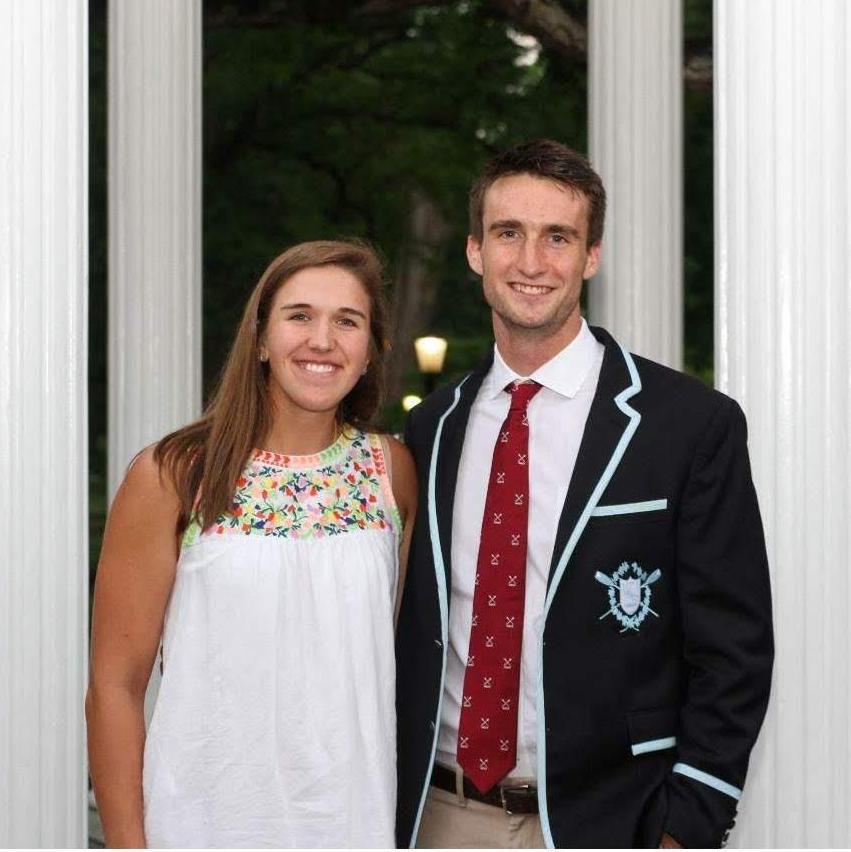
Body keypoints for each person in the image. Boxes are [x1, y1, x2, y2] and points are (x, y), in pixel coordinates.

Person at [395, 140, 773, 848]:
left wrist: (687, 829)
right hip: (444, 816)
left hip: (613, 820)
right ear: (475, 250)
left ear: (590, 256)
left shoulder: (687, 425)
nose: (531, 262)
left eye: (557, 237)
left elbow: (734, 649)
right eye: (508, 233)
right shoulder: (430, 428)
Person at [86, 240, 416, 848]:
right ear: (261, 339)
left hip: (351, 825)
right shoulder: (176, 474)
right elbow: (114, 686)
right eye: (300, 316)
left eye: (348, 322)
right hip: (202, 824)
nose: (323, 340)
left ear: (371, 352)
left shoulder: (390, 472)